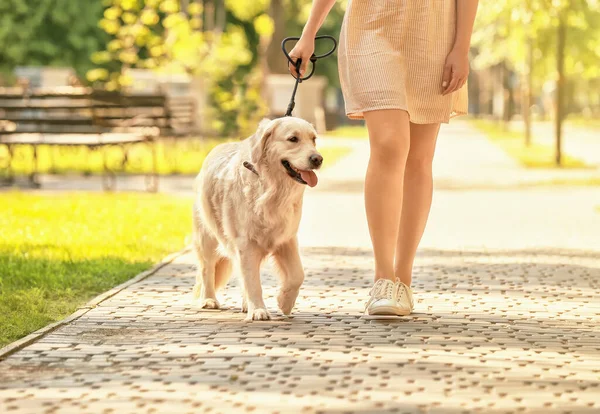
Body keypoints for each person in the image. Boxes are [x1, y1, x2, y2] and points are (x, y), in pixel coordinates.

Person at [290, 0, 479, 316]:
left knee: (419, 158)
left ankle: (402, 280)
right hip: (371, 27)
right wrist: (309, 33)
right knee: (390, 145)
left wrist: (461, 47)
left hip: (433, 33)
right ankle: (382, 278)